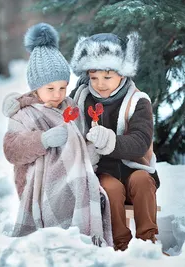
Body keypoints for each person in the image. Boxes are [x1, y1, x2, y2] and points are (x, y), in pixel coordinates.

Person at [2, 23, 112, 246]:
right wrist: (42, 140)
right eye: (50, 89)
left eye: (62, 88)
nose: (57, 94)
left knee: (82, 182)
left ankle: (81, 231)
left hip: (73, 173)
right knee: (57, 190)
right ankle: (55, 229)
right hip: (39, 179)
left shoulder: (69, 106)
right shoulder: (24, 114)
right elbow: (12, 150)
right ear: (36, 88)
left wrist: (90, 148)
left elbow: (79, 138)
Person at [68, 32, 161, 251]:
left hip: (135, 167)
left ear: (122, 74)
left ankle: (148, 240)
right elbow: (61, 114)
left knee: (141, 182)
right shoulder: (81, 97)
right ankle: (120, 243)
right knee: (110, 189)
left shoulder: (138, 100)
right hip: (102, 171)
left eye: (107, 77)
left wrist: (111, 141)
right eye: (94, 77)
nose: (100, 84)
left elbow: (140, 141)